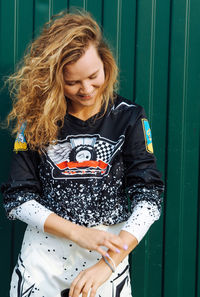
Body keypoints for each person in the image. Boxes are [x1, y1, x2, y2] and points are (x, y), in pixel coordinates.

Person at [1, 10, 164, 297]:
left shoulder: (129, 117)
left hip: (107, 258)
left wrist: (109, 263)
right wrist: (79, 232)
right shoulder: (36, 120)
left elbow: (149, 199)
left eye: (93, 76)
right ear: (53, 78)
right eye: (72, 82)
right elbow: (17, 198)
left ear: (106, 64)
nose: (86, 88)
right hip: (42, 262)